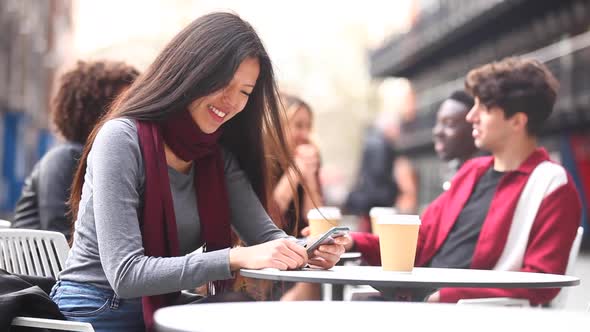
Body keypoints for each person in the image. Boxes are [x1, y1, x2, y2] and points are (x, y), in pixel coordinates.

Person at [51, 13, 345, 331]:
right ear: (192, 73)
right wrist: (234, 258)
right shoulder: (121, 139)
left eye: (245, 92)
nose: (232, 101)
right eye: (224, 83)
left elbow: (267, 238)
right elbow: (125, 274)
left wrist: (307, 251)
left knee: (245, 313)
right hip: (94, 308)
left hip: (162, 307)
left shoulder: (216, 158)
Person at [343, 57, 582, 305]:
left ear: (517, 122)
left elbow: (543, 281)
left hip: (466, 314)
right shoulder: (472, 172)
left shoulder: (551, 185)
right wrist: (352, 242)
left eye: (484, 108)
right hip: (418, 300)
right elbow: (420, 242)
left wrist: (447, 296)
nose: (471, 116)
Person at [12, 61, 139, 241]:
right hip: (35, 268)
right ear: (94, 110)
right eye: (122, 105)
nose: (131, 115)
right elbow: (60, 235)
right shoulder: (65, 158)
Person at [234, 94, 324, 301]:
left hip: (298, 251)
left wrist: (308, 178)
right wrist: (294, 174)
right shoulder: (260, 161)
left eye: (308, 126)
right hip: (259, 253)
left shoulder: (310, 162)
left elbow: (315, 221)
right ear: (277, 126)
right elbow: (266, 220)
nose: (305, 134)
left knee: (313, 279)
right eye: (298, 125)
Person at [432, 90, 479, 190]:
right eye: (438, 122)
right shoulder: (452, 172)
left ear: (475, 126)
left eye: (449, 124)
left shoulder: (486, 179)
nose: (437, 131)